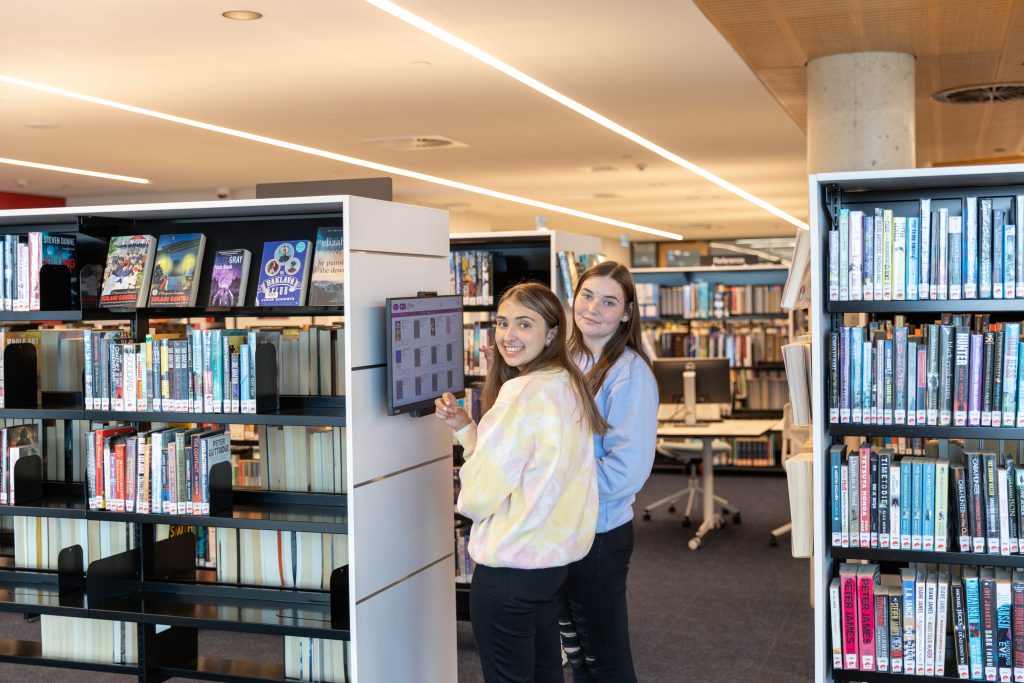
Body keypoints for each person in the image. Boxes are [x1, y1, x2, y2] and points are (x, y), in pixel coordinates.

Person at [435, 281, 608, 683]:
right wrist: (467, 430)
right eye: (503, 323)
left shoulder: (520, 394)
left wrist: (470, 465)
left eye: (524, 324)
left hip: (509, 572)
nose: (509, 335)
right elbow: (529, 467)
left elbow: (477, 499)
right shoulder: (568, 384)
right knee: (545, 674)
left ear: (550, 333)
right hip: (549, 566)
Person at [558, 260, 659, 682]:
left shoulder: (630, 374)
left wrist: (551, 486)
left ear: (627, 313)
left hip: (598, 533)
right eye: (587, 295)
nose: (593, 308)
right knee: (576, 652)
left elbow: (625, 473)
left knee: (606, 661)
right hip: (560, 529)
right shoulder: (565, 359)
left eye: (609, 301)